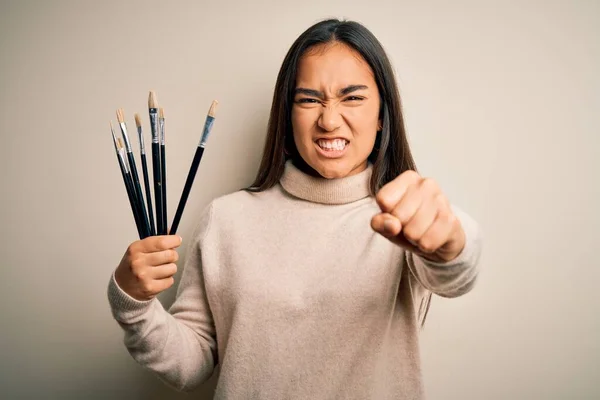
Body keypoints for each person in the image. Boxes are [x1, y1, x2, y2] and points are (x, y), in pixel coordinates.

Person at [107, 18, 482, 399]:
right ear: (288, 114)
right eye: (308, 100)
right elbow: (192, 363)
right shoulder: (226, 218)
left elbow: (456, 269)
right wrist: (132, 302)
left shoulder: (404, 218)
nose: (329, 119)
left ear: (383, 114)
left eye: (352, 97)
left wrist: (452, 242)